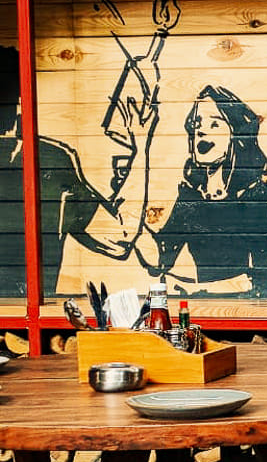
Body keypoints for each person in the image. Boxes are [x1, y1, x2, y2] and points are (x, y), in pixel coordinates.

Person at [0, 44, 159, 298]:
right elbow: (118, 237)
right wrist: (142, 146)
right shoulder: (49, 158)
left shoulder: (49, 161)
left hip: (25, 313)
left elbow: (116, 237)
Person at [137, 84, 267, 296]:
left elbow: (261, 283)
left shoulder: (255, 194)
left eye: (214, 124)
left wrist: (197, 289)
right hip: (204, 305)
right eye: (197, 124)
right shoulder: (191, 194)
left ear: (236, 135)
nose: (200, 131)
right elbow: (161, 258)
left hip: (244, 307)